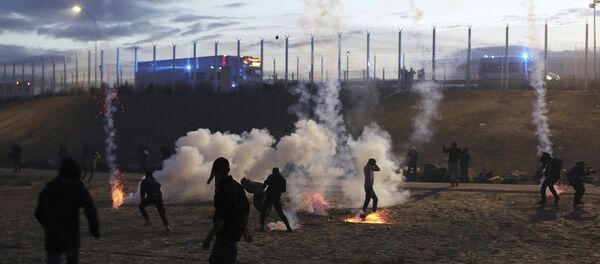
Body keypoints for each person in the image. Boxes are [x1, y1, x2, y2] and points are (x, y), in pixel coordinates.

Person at [35, 158, 100, 264]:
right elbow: (90, 210)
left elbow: (38, 213)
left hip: (53, 237)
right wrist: (94, 229)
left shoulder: (48, 189)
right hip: (71, 236)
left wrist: (50, 226)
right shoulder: (78, 189)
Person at [203, 157, 252, 264]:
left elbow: (221, 219)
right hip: (232, 233)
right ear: (228, 170)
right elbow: (245, 211)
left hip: (226, 234)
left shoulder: (223, 190)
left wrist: (208, 238)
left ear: (215, 171)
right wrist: (244, 230)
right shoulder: (237, 186)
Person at [259, 168, 292, 232]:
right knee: (280, 213)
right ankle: (289, 228)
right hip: (276, 197)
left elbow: (265, 185)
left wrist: (260, 191)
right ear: (278, 172)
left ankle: (262, 227)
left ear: (273, 172)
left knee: (263, 211)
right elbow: (283, 190)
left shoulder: (271, 177)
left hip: (269, 196)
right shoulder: (282, 179)